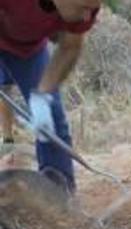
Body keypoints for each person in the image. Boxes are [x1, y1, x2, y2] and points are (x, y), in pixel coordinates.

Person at [0, 0, 102, 193]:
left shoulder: (85, 6)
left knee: (52, 115)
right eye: (84, 8)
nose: (88, 17)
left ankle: (58, 191)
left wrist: (42, 96)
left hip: (27, 51)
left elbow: (70, 47)